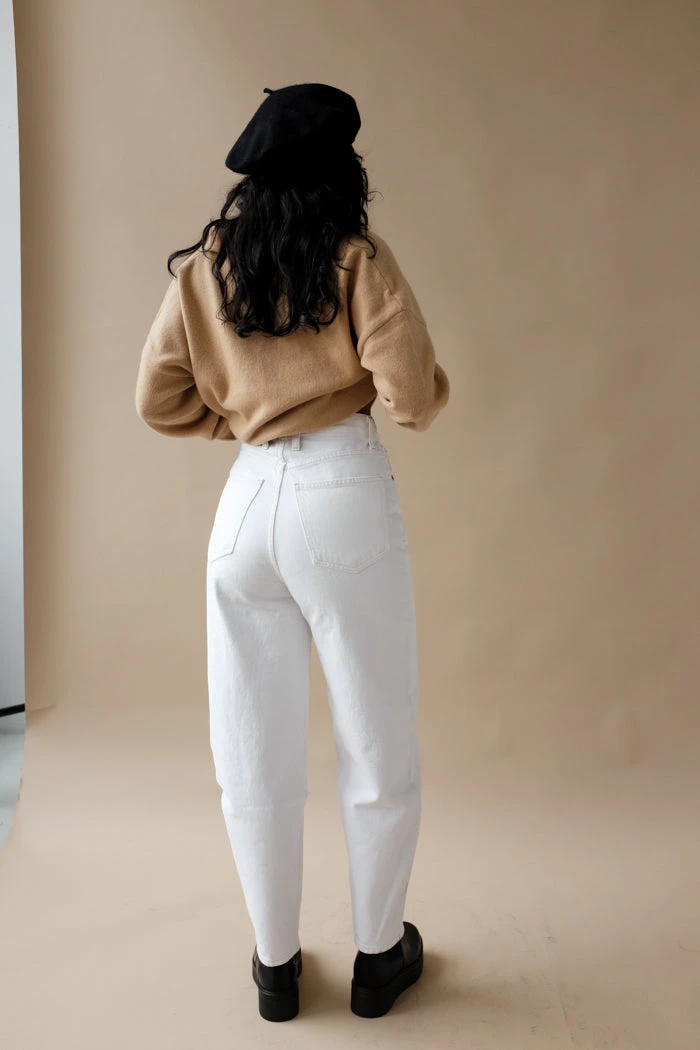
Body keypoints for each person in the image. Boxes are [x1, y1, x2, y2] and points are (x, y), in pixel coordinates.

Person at [134, 82, 450, 1023]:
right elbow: (412, 397)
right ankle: (377, 959)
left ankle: (275, 967)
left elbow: (158, 399)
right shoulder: (355, 259)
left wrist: (242, 420)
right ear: (337, 171)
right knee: (376, 740)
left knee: (251, 748)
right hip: (341, 494)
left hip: (245, 508)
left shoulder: (206, 271)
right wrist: (408, 387)